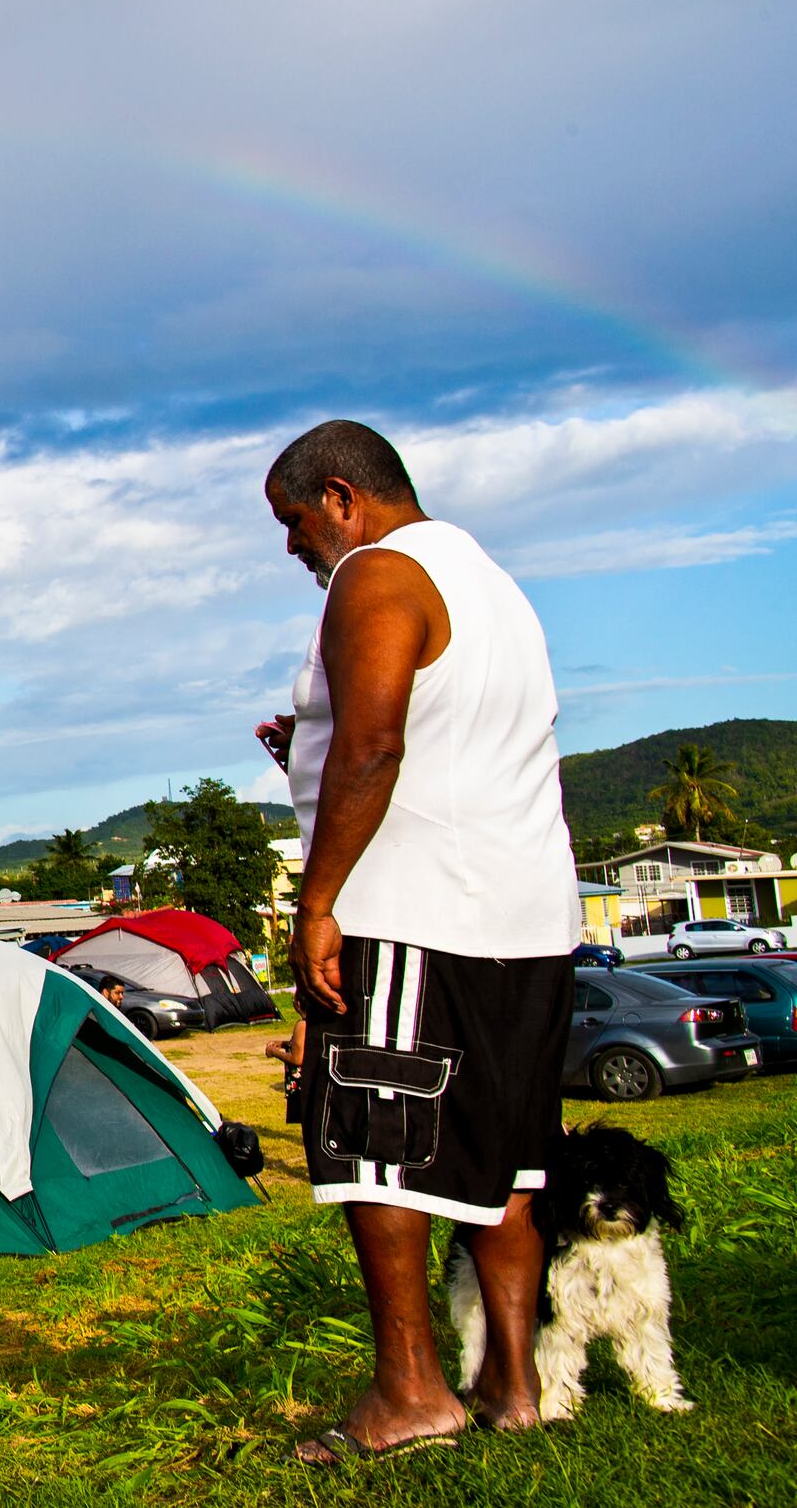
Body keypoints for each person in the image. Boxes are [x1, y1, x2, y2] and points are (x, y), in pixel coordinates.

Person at [258, 419, 579, 1463]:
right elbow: (432, 740)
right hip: (525, 922)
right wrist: (302, 751)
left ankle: (409, 1392)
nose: (295, 548)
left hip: (413, 915)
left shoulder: (376, 574)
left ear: (342, 496)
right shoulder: (489, 583)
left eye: (294, 522)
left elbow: (376, 742)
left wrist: (316, 903)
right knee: (507, 1160)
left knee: (375, 1152)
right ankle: (511, 1384)